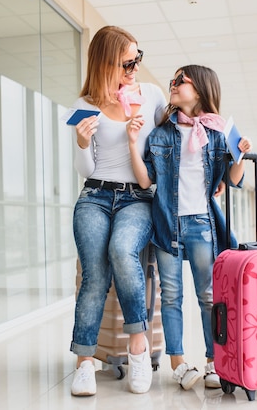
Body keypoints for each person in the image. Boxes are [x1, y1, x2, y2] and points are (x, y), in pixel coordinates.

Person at [127, 65, 252, 390]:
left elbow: (231, 180)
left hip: (201, 224)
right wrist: (131, 144)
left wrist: (239, 155)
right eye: (172, 81)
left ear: (199, 90)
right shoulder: (160, 134)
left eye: (179, 81)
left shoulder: (216, 132)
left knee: (208, 296)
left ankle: (215, 362)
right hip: (167, 222)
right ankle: (178, 364)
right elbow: (145, 180)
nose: (172, 85)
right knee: (171, 296)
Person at [69, 25, 167, 396]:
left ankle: (138, 349)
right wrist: (81, 143)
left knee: (122, 251)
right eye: (128, 63)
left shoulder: (152, 95)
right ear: (107, 63)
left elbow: (169, 144)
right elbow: (86, 170)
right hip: (94, 195)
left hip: (137, 199)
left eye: (138, 59)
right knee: (94, 275)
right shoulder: (84, 106)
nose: (135, 69)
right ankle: (84, 363)